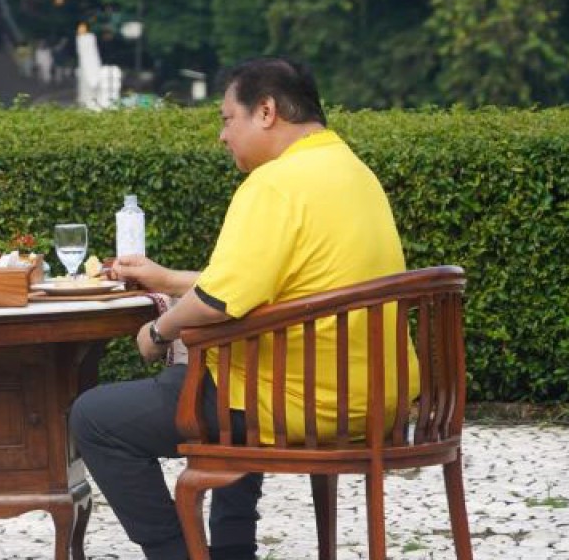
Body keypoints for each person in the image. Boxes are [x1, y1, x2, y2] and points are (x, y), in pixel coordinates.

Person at [70, 57, 415, 560]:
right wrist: (169, 279)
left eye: (228, 119)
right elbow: (277, 286)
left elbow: (217, 302)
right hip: (377, 398)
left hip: (304, 403)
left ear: (267, 111)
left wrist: (159, 332)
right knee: (234, 372)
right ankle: (233, 550)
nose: (222, 136)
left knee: (95, 417)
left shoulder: (274, 183)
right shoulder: (351, 170)